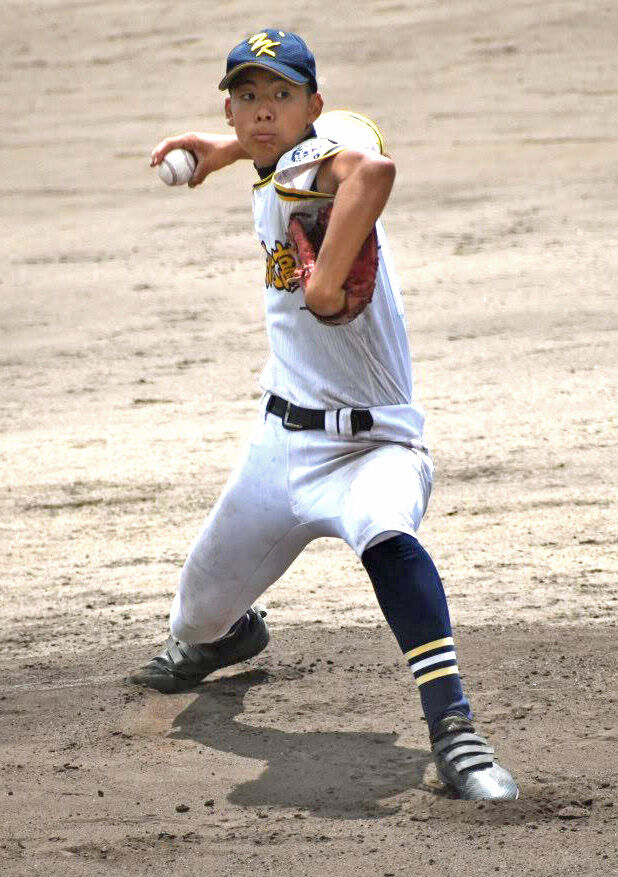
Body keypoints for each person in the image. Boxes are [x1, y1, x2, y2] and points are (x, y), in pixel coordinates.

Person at [131, 29, 519, 801]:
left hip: (376, 446)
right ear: (230, 110)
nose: (262, 111)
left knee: (386, 535)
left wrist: (325, 279)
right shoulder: (288, 149)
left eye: (281, 95)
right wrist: (221, 151)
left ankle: (455, 731)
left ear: (313, 104)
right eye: (246, 97)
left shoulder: (322, 159)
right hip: (279, 448)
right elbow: (285, 151)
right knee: (194, 621)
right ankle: (233, 636)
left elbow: (372, 172)